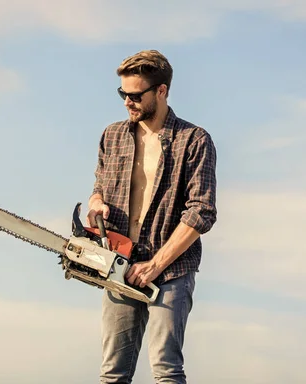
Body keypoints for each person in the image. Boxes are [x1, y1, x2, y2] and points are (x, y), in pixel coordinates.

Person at [86, 49, 217, 384]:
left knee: (166, 370)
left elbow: (201, 212)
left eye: (135, 95)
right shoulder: (112, 135)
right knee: (112, 373)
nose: (127, 102)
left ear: (161, 91)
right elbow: (100, 183)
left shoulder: (194, 141)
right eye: (123, 94)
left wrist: (156, 265)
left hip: (172, 270)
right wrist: (96, 200)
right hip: (120, 263)